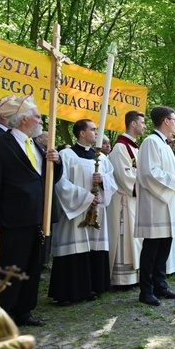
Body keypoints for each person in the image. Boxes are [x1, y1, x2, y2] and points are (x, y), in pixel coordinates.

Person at [0, 95, 62, 326]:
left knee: (32, 269)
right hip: (11, 221)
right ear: (24, 119)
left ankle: (24, 311)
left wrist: (55, 162)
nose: (42, 121)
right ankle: (2, 315)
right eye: (37, 116)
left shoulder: (37, 145)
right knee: (8, 271)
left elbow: (47, 180)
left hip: (38, 218)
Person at [50, 119, 116, 304]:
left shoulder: (101, 158)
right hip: (75, 209)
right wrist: (86, 197)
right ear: (82, 133)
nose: (97, 133)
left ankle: (91, 287)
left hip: (96, 209)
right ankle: (69, 292)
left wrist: (102, 181)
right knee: (75, 246)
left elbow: (113, 181)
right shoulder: (66, 155)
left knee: (93, 247)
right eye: (93, 129)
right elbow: (60, 183)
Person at [135, 106, 175, 306]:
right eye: (174, 120)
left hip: (167, 203)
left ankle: (160, 285)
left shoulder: (165, 144)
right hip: (155, 204)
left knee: (164, 245)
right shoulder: (150, 142)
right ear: (165, 121)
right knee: (152, 248)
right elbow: (149, 172)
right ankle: (146, 291)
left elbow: (165, 172)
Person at [106, 111, 146, 287]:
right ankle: (123, 278)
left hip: (135, 200)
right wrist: (145, 179)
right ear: (133, 124)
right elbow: (124, 176)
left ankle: (136, 275)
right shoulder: (121, 147)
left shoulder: (136, 147)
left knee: (136, 238)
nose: (144, 126)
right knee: (126, 237)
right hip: (124, 200)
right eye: (142, 123)